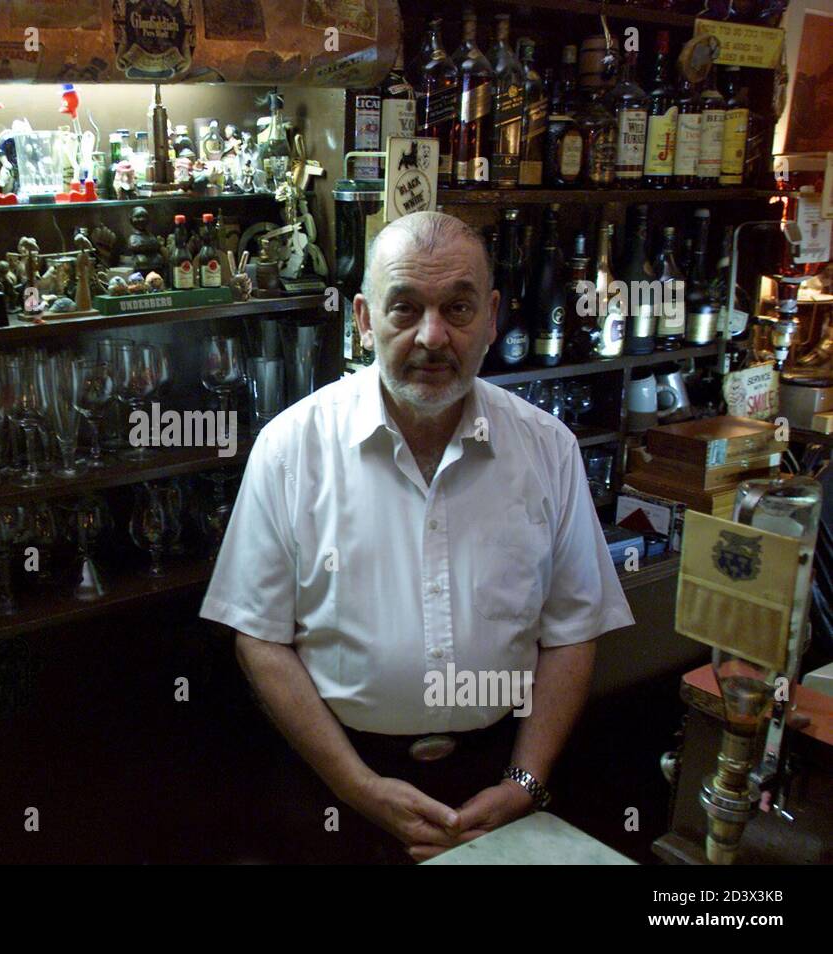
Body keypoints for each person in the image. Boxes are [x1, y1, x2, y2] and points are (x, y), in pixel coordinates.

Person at [200, 211, 633, 863]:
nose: (433, 337)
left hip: (497, 781)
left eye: (457, 307)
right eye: (405, 308)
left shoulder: (548, 450)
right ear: (365, 319)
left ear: (491, 317)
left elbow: (572, 631)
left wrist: (523, 783)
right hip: (335, 783)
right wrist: (358, 785)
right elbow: (259, 638)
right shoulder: (291, 450)